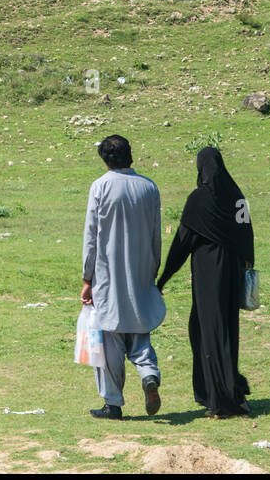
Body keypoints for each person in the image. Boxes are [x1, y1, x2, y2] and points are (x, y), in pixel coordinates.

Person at [157, 147, 254, 418]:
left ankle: (223, 399)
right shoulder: (237, 197)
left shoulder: (199, 199)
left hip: (209, 275)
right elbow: (247, 237)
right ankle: (213, 390)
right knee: (222, 330)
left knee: (208, 332)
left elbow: (182, 242)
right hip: (232, 276)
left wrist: (164, 277)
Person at [81, 134, 166, 420]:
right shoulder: (149, 187)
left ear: (104, 159)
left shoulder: (100, 187)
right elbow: (156, 236)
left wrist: (87, 278)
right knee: (140, 333)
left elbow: (91, 237)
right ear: (130, 155)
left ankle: (113, 403)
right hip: (142, 273)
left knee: (110, 340)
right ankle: (149, 373)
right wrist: (152, 272)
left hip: (108, 276)